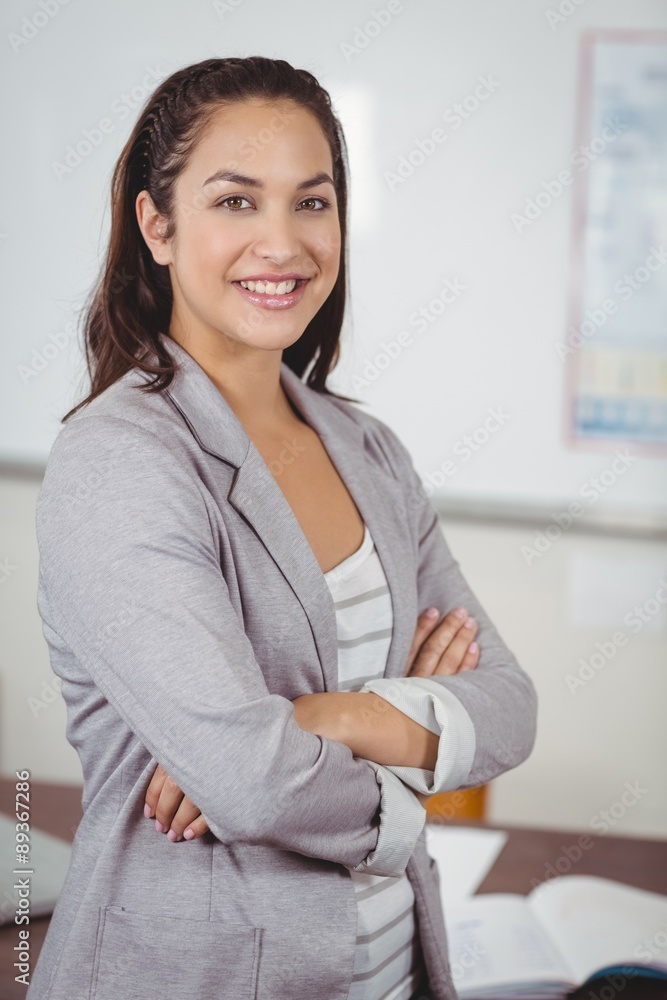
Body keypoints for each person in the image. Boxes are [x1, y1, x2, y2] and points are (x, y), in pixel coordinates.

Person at [29, 56, 538, 1000]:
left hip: (391, 970)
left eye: (311, 202)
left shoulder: (366, 446)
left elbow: (509, 705)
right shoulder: (120, 462)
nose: (283, 243)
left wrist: (322, 717)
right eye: (234, 202)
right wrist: (413, 760)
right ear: (157, 225)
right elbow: (251, 780)